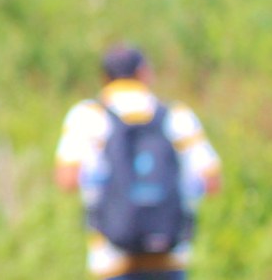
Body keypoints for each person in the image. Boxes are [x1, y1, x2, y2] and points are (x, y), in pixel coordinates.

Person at [55, 46, 221, 280]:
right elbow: (211, 180)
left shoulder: (88, 116)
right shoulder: (176, 116)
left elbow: (67, 180)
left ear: (104, 77)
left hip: (112, 257)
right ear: (144, 73)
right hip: (169, 255)